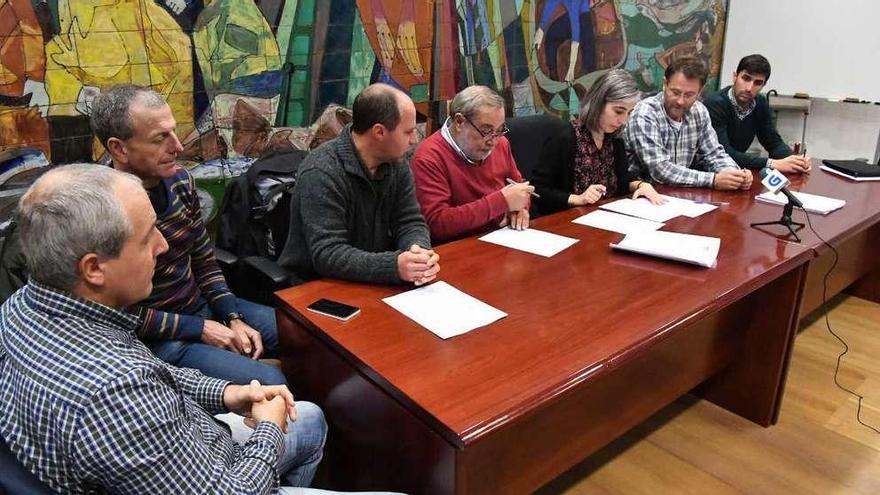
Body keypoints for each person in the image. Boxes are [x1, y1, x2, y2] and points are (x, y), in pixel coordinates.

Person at [0, 164, 326, 493]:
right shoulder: (116, 394)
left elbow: (152, 374)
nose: (163, 246)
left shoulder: (20, 308)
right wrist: (269, 428)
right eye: (146, 239)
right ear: (94, 268)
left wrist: (227, 394)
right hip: (226, 481)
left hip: (190, 443)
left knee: (310, 417)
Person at [90, 84, 286, 385]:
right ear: (119, 148)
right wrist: (200, 328)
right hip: (156, 339)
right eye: (160, 139)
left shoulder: (180, 180)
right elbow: (114, 313)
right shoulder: (98, 212)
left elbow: (204, 260)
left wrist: (231, 316)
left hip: (201, 308)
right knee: (272, 383)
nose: (179, 147)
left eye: (173, 131)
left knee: (313, 335)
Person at [277, 83, 440, 286]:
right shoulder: (321, 171)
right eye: (408, 132)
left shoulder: (396, 163)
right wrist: (393, 266)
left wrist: (418, 253)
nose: (414, 140)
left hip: (373, 280)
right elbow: (328, 254)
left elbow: (409, 220)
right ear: (379, 132)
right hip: (316, 286)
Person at [532, 69, 664, 216]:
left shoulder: (615, 139)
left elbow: (622, 179)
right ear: (598, 103)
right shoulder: (564, 137)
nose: (623, 121)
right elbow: (537, 189)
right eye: (618, 111)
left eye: (629, 113)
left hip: (605, 219)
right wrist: (577, 199)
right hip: (569, 222)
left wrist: (641, 185)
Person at [411, 85, 533, 243]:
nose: (493, 141)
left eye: (499, 130)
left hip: (504, 238)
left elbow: (520, 186)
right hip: (461, 248)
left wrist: (520, 209)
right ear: (460, 122)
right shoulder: (428, 157)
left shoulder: (501, 143)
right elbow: (437, 224)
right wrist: (502, 202)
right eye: (486, 130)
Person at [625, 56, 754, 191]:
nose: (680, 101)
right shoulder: (645, 113)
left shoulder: (699, 111)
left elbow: (714, 153)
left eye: (689, 95)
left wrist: (734, 174)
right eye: (675, 92)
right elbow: (660, 170)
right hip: (643, 195)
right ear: (665, 83)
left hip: (681, 194)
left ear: (700, 91)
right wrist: (713, 180)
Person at [704, 54, 811, 173]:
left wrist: (795, 161)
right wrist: (771, 163)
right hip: (708, 170)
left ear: (764, 85)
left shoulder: (760, 103)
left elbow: (773, 143)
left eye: (758, 83)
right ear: (735, 77)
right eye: (746, 78)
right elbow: (723, 153)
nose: (749, 88)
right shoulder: (715, 103)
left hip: (736, 171)